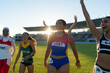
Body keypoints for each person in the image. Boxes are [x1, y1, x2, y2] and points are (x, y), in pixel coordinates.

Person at [80, 0, 110, 73]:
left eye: (105, 22)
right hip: (99, 69)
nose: (103, 24)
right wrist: (82, 3)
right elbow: (88, 20)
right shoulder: (99, 36)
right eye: (101, 22)